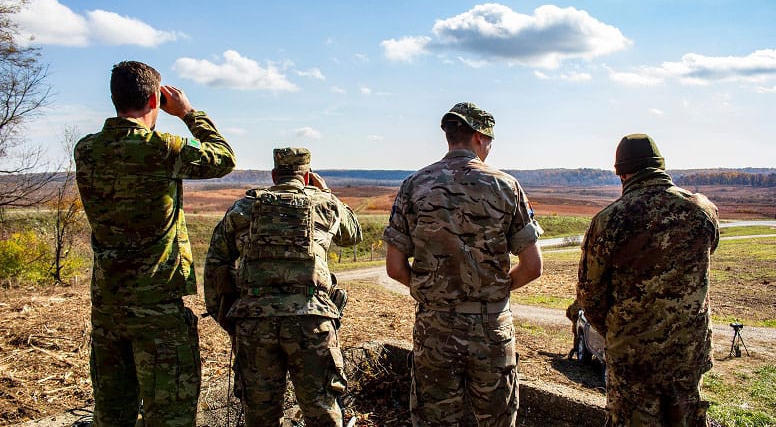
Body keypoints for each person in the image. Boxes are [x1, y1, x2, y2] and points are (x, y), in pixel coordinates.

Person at [74, 60, 236, 426]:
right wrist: (189, 113)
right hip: (158, 308)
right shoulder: (161, 148)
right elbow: (223, 158)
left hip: (108, 306)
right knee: (170, 417)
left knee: (112, 415)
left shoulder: (85, 149)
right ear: (154, 99)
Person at [383, 102, 544, 427]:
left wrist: (432, 293)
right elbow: (532, 266)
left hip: (435, 330)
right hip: (492, 330)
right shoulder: (506, 186)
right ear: (478, 137)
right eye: (490, 140)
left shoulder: (414, 185)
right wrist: (494, 291)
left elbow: (394, 267)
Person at [204, 147, 363, 426]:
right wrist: (327, 192)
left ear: (275, 174)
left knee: (260, 414)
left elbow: (217, 264)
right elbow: (353, 236)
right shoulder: (325, 204)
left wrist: (228, 315)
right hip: (311, 322)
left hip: (254, 323)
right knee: (322, 409)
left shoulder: (244, 208)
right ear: (308, 176)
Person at [576, 134, 719, 426]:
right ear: (660, 166)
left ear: (623, 173)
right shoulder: (703, 210)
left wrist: (620, 329)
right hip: (687, 352)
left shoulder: (609, 220)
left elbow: (590, 296)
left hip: (633, 356)